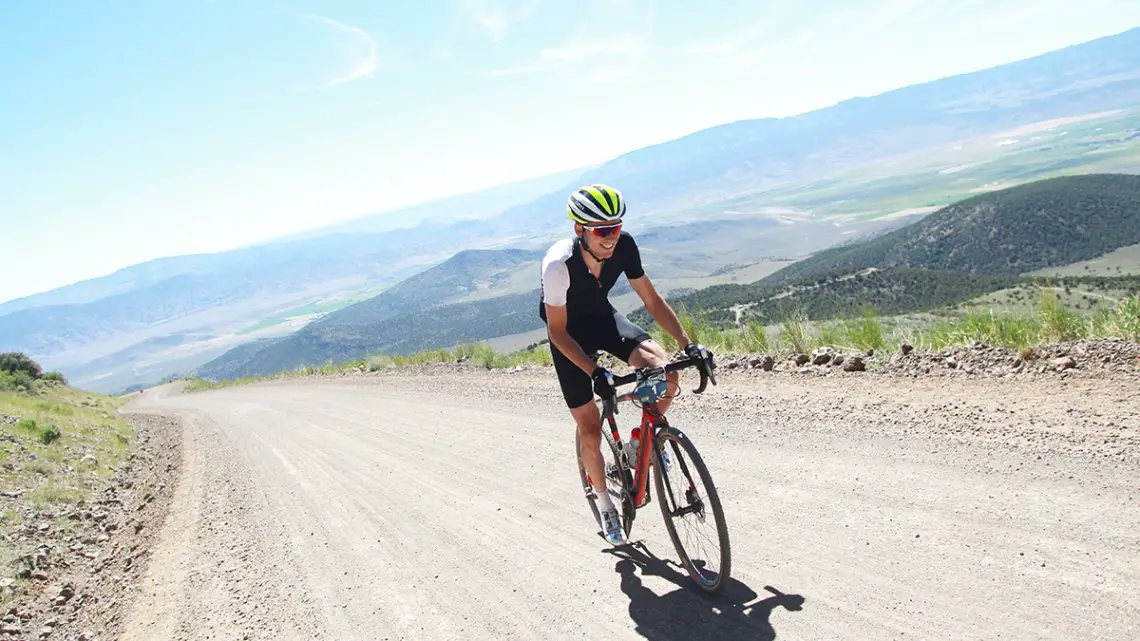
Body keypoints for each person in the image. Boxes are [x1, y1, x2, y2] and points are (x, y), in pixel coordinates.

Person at [538, 183, 708, 545]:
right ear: (579, 230)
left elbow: (650, 299)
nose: (611, 237)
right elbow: (556, 331)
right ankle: (605, 505)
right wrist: (595, 372)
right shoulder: (558, 265)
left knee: (667, 371)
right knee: (589, 428)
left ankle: (639, 446)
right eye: (601, 230)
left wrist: (687, 343)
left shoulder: (625, 245)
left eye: (615, 227)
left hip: (601, 319)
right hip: (568, 334)